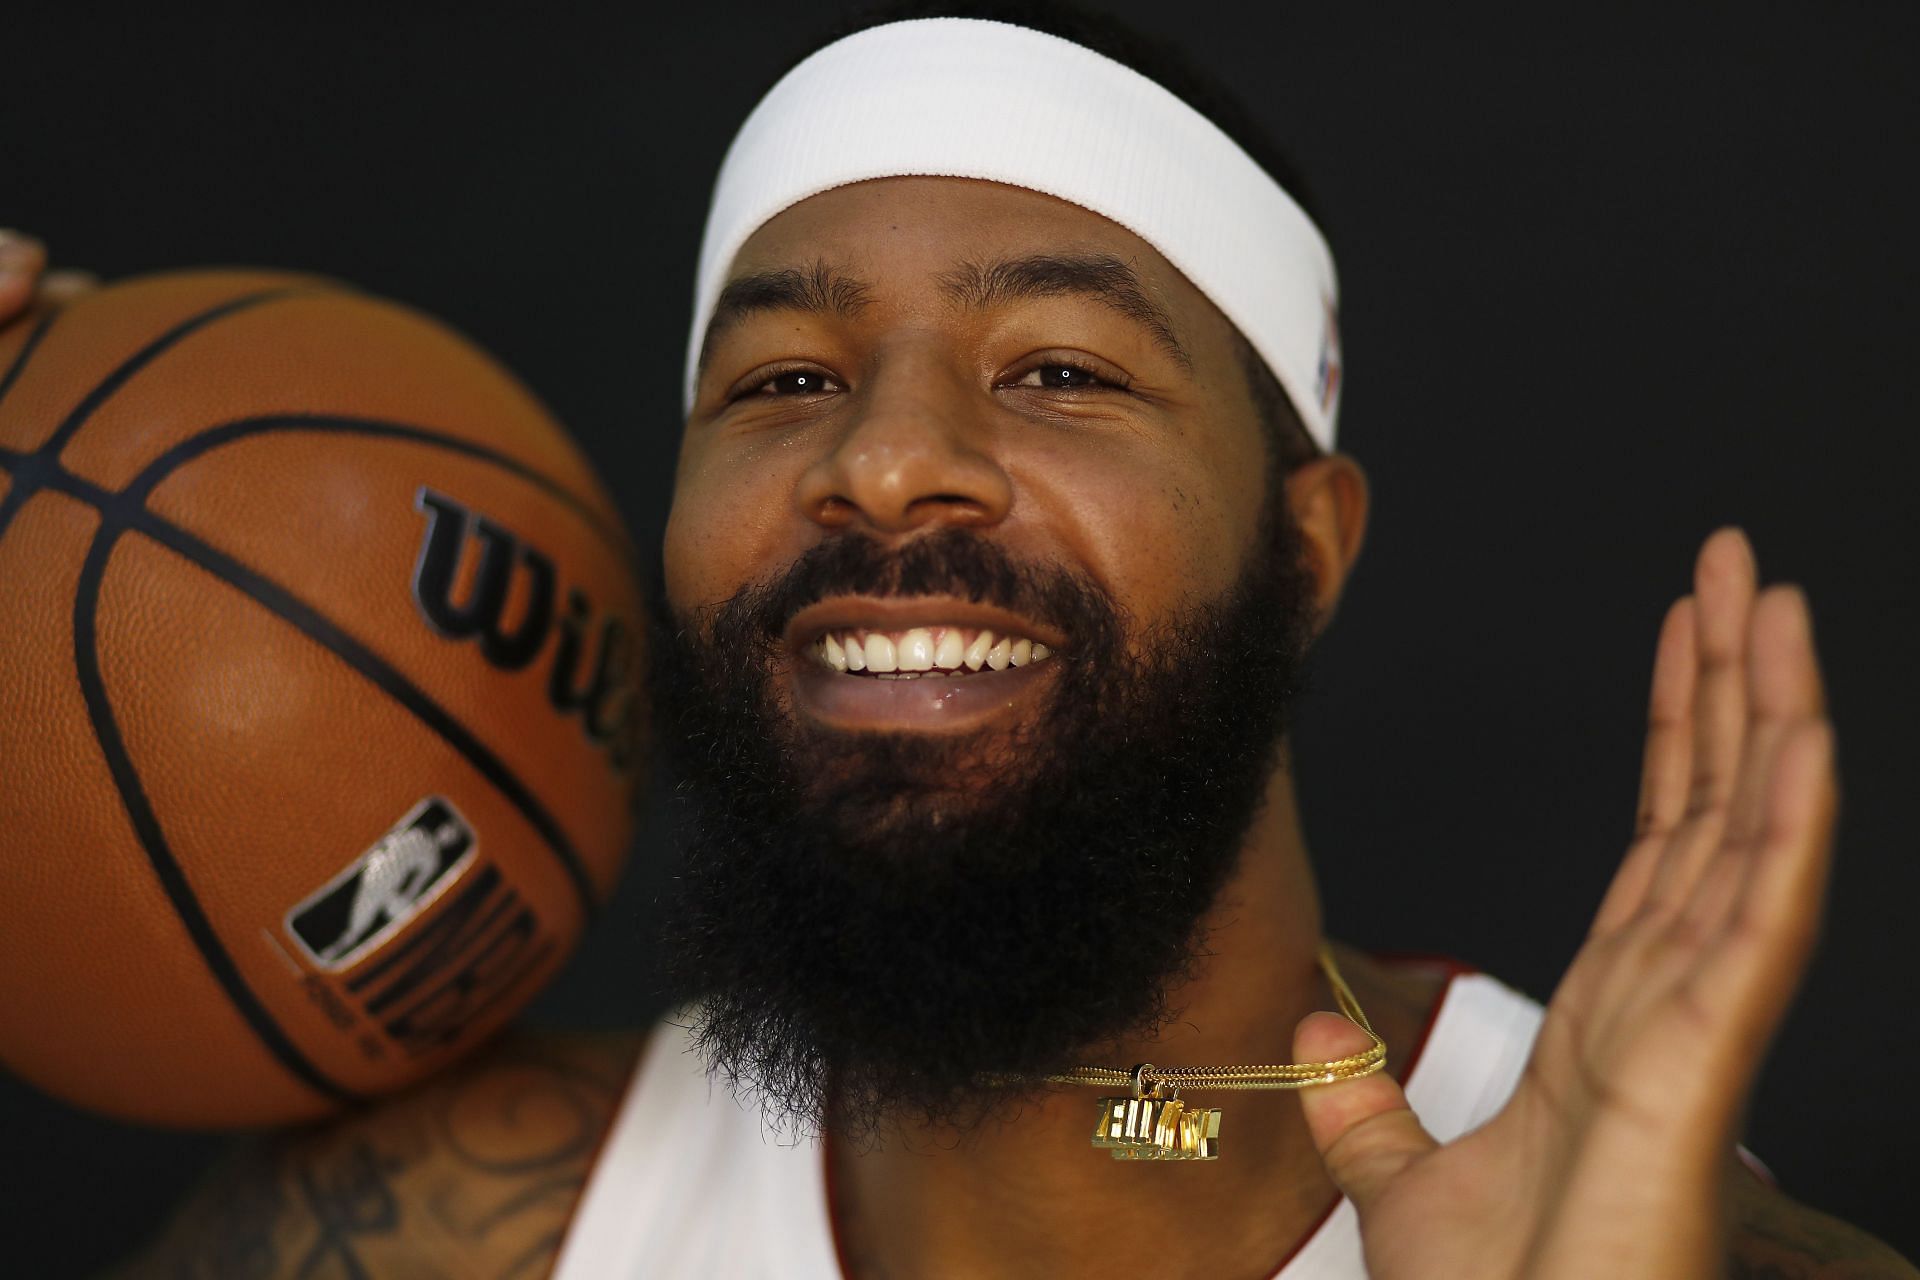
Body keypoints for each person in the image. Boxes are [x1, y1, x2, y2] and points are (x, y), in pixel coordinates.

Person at [6, 4, 1914, 1277]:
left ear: (1307, 545)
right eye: (784, 376)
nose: (887, 456)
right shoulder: (428, 1236)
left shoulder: (1660, 1242)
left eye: (1063, 370)